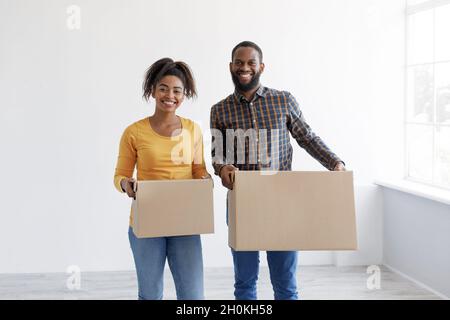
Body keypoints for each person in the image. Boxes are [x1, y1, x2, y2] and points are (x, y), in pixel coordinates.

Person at [210, 41, 346, 300]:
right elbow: (218, 153)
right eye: (239, 62)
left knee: (285, 284)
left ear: (261, 67)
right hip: (243, 201)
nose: (244, 67)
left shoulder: (283, 100)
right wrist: (222, 167)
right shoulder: (219, 110)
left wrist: (335, 163)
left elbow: (306, 137)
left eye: (251, 62)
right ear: (231, 66)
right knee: (245, 283)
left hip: (283, 201)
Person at [114, 58, 211, 300]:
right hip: (147, 222)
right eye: (164, 89)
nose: (170, 96)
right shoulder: (134, 132)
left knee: (193, 296)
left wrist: (205, 179)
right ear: (153, 91)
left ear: (184, 94)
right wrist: (128, 185)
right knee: (150, 295)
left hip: (184, 222)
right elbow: (120, 176)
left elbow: (199, 168)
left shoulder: (192, 130)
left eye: (177, 90)